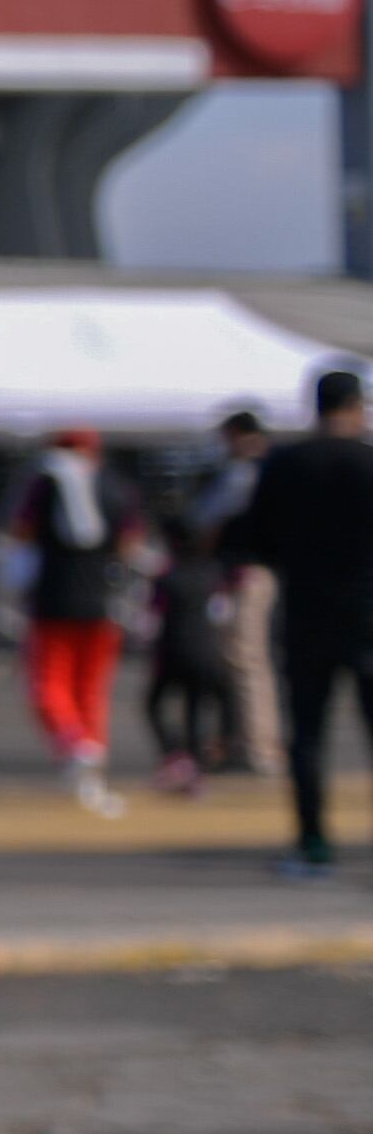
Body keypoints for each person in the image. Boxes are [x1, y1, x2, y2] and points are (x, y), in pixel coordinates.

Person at [222, 368, 373, 878]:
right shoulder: (368, 462)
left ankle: (313, 842)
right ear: (356, 406)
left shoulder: (286, 465)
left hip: (307, 612)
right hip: (368, 611)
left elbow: (256, 539)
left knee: (308, 733)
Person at [9, 428, 145, 815]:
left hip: (52, 600)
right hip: (103, 601)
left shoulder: (44, 484)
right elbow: (130, 544)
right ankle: (92, 768)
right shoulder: (116, 487)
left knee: (47, 684)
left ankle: (74, 745)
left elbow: (21, 532)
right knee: (91, 689)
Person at [192, 409, 280, 776]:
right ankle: (247, 740)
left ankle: (258, 746)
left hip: (243, 574)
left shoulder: (243, 472)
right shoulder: (273, 467)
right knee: (244, 659)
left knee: (245, 660)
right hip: (260, 572)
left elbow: (207, 521)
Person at [142, 511, 240, 797]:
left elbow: (150, 618)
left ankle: (176, 757)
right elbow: (221, 612)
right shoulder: (211, 573)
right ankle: (196, 768)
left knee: (153, 704)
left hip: (172, 651)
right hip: (206, 651)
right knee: (195, 711)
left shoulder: (165, 576)